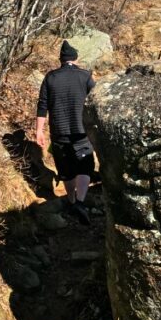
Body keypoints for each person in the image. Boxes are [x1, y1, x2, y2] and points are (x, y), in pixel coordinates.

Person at [35, 40, 95, 225]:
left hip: (59, 130)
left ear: (61, 60)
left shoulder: (50, 77)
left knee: (65, 168)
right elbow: (95, 101)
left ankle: (70, 200)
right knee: (85, 165)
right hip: (81, 130)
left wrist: (39, 131)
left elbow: (42, 105)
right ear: (75, 59)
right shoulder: (85, 76)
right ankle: (80, 201)